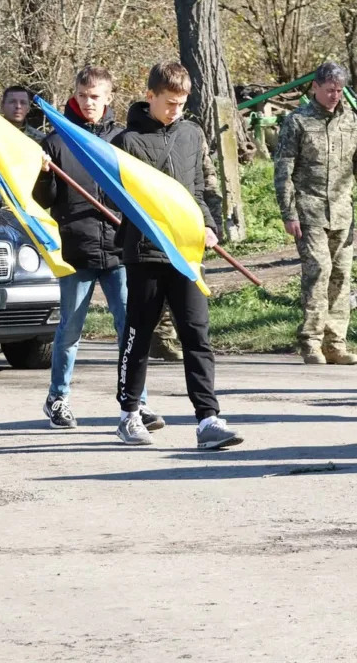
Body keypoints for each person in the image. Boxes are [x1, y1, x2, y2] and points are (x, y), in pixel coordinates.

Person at [112, 61, 242, 450]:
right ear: (149, 95)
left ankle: (207, 420)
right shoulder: (126, 140)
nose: (175, 110)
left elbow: (200, 188)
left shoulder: (192, 133)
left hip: (185, 253)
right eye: (169, 103)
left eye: (181, 103)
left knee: (196, 335)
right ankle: (129, 414)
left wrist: (209, 224)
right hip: (144, 252)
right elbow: (116, 193)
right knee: (139, 336)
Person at [32, 66, 163, 431]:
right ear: (74, 94)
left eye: (95, 96)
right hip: (76, 249)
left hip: (121, 250)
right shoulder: (57, 141)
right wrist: (44, 174)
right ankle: (57, 399)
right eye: (82, 95)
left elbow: (140, 190)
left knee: (130, 330)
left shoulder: (124, 139)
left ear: (108, 98)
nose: (88, 103)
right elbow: (42, 200)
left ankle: (137, 403)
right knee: (70, 330)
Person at [273, 61, 357, 365]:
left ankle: (335, 342)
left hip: (342, 213)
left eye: (339, 90)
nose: (335, 96)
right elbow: (284, 169)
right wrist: (288, 212)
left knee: (340, 276)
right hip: (308, 211)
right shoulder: (297, 122)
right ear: (316, 88)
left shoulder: (349, 120)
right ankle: (310, 341)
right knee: (318, 272)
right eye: (330, 90)